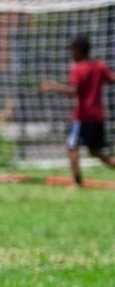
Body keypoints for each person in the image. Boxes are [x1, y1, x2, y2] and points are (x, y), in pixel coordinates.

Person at [40, 36, 115, 187]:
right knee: (95, 151)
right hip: (98, 116)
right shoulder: (99, 66)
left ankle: (77, 183)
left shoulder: (77, 69)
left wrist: (52, 85)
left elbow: (72, 91)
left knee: (72, 147)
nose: (71, 54)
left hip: (83, 117)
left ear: (79, 51)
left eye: (72, 50)